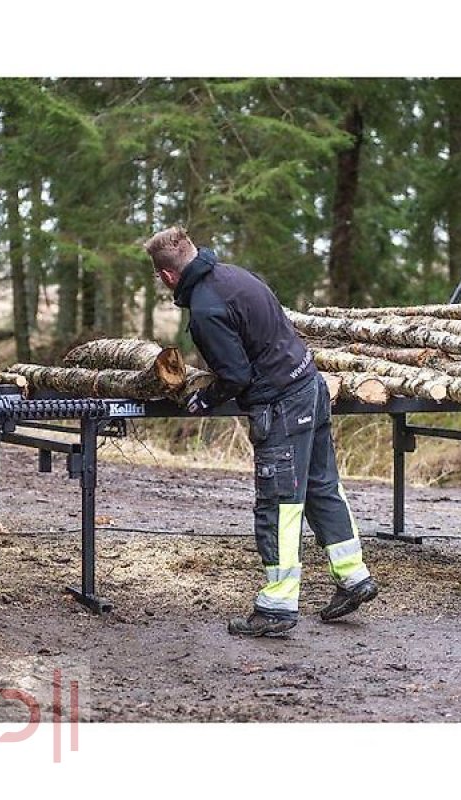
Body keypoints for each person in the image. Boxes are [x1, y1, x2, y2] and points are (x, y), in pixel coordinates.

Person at [144, 226, 378, 637]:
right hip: (311, 385)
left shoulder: (205, 310)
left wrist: (206, 398)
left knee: (279, 503)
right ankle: (354, 577)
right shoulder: (237, 276)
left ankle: (278, 604)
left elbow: (235, 375)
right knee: (322, 486)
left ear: (166, 276)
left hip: (283, 405)